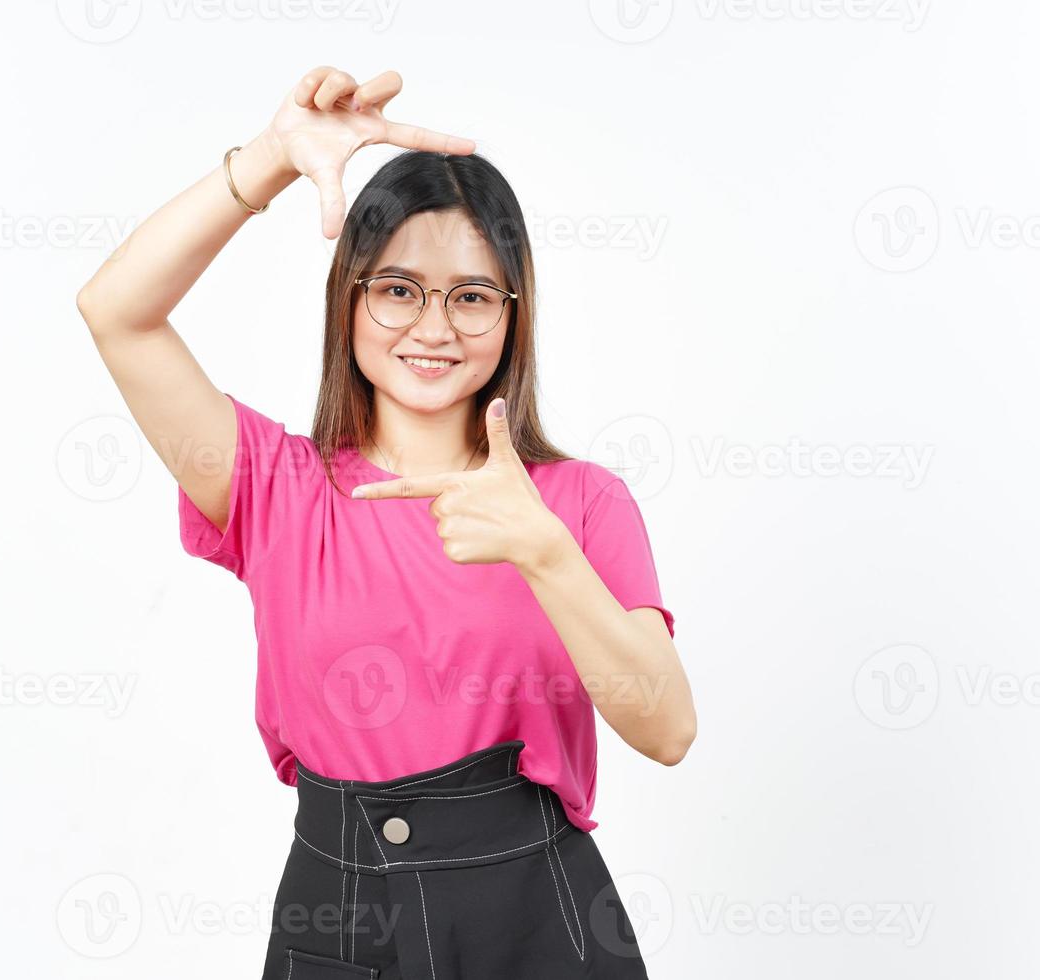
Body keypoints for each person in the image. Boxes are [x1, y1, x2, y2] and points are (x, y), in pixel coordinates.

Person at [76, 65, 697, 980]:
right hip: (339, 919)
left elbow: (668, 731)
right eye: (399, 288)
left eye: (473, 295)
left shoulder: (577, 505)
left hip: (536, 915)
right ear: (350, 297)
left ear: (513, 316)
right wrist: (270, 160)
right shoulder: (272, 486)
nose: (434, 327)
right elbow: (116, 312)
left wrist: (544, 553)